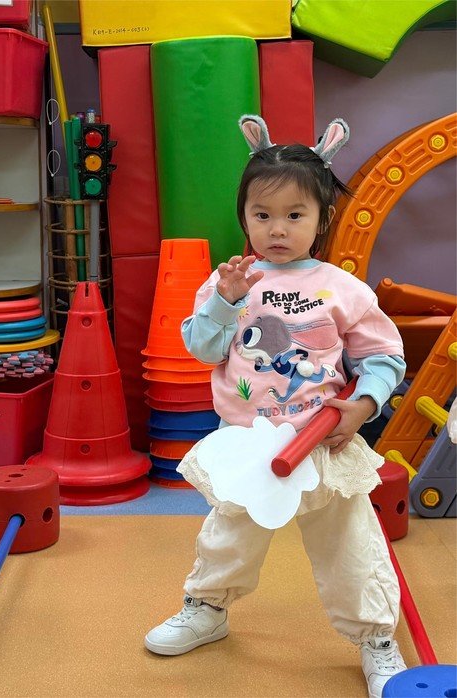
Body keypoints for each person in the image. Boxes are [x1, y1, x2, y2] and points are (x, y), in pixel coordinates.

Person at [144, 115, 408, 698]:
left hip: (323, 441)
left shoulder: (343, 287)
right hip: (247, 442)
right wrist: (224, 302)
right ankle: (207, 608)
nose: (278, 229)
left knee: (350, 546)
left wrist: (363, 406)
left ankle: (374, 638)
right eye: (262, 215)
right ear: (244, 217)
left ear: (321, 219)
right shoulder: (229, 283)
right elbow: (202, 348)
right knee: (228, 534)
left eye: (295, 215)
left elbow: (384, 356)